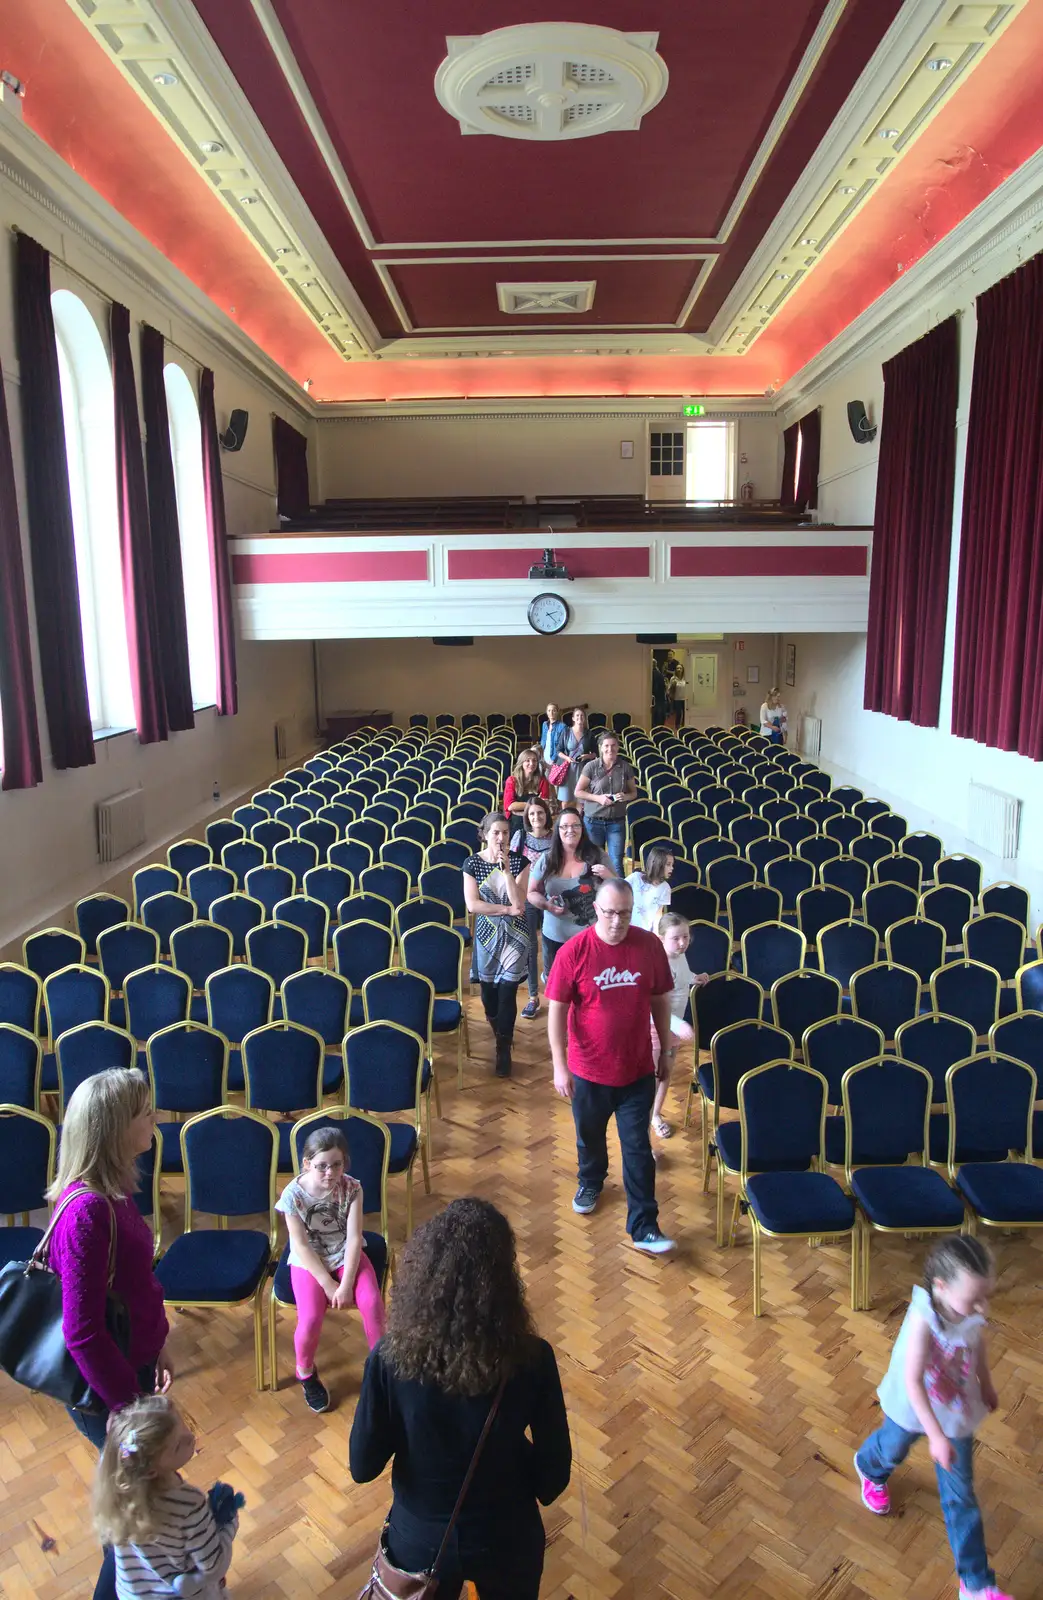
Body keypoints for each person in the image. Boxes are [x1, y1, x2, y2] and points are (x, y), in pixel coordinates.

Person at [349, 1198, 572, 1600]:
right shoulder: (533, 1358)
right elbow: (554, 1478)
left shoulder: (388, 1360)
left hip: (419, 1539)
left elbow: (363, 1466)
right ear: (505, 1280)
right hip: (507, 1534)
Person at [47, 1067, 174, 1600]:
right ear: (117, 1127)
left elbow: (133, 1284)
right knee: (129, 1526)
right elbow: (82, 1332)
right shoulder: (88, 1212)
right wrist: (132, 1410)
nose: (155, 1118)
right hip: (111, 1393)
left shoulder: (115, 1190)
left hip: (134, 1371)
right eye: (146, 1112)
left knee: (140, 1510)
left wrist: (159, 1341)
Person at [853, 1236, 1009, 1600]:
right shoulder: (923, 1321)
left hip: (954, 1407)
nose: (982, 1308)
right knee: (893, 1447)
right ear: (940, 1287)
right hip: (914, 1403)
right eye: (974, 1300)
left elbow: (976, 1341)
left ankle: (976, 1584)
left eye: (985, 1298)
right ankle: (869, 1465)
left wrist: (985, 1382)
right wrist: (934, 1436)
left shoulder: (968, 1308)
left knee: (961, 1495)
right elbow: (912, 1382)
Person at [545, 878, 676, 1253]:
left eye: (624, 913)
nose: (616, 921)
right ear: (596, 911)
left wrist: (665, 1051)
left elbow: (660, 1001)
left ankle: (644, 1226)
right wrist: (559, 1065)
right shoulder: (574, 951)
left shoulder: (649, 945)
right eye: (609, 913)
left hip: (636, 1069)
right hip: (588, 1071)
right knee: (590, 1137)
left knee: (636, 1148)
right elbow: (557, 1011)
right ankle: (591, 1178)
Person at [274, 1125, 386, 1414]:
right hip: (310, 1261)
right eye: (322, 1166)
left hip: (344, 1254)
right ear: (307, 1164)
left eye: (336, 1165)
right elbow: (299, 1246)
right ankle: (306, 1372)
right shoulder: (292, 1196)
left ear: (344, 1163)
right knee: (310, 1317)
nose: (330, 1173)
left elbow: (353, 1239)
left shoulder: (352, 1188)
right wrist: (327, 1284)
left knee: (373, 1303)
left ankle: (381, 1372)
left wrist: (346, 1283)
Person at [92, 1395, 242, 1599]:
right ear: (152, 1470)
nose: (191, 1436)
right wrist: (228, 1522)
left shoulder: (116, 1480)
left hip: (133, 1593)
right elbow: (213, 1566)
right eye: (178, 1445)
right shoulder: (189, 1504)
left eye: (184, 1423)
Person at [462, 811, 530, 1076]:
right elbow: (472, 904)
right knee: (489, 996)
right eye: (496, 833)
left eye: (505, 833)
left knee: (507, 992)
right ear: (485, 835)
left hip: (516, 935)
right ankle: (499, 1029)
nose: (501, 838)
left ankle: (503, 1048)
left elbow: (519, 904)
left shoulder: (520, 862)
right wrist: (503, 910)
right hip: (487, 934)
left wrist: (507, 873)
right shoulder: (472, 863)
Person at [526, 805, 614, 977]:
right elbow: (531, 893)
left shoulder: (597, 855)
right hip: (554, 936)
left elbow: (619, 889)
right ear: (558, 830)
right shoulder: (547, 859)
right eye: (564, 826)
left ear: (582, 828)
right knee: (557, 986)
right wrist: (546, 904)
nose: (570, 830)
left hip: (590, 936)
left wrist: (608, 875)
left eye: (575, 825)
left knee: (589, 984)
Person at [649, 912, 707, 1142]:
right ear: (661, 938)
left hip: (672, 1028)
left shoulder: (679, 956)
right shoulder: (657, 963)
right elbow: (652, 1004)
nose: (682, 943)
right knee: (652, 1080)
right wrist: (679, 1024)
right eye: (676, 938)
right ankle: (642, 1138)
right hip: (656, 1029)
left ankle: (654, 1115)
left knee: (665, 1076)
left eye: (685, 937)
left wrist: (695, 978)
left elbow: (681, 978)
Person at [511, 795, 554, 1020]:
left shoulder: (556, 838)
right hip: (527, 897)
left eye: (540, 812)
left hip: (550, 898)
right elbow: (512, 867)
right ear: (527, 817)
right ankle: (533, 997)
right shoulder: (520, 837)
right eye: (532, 814)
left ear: (547, 814)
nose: (536, 817)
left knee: (549, 943)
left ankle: (552, 988)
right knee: (529, 945)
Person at [573, 731, 637, 878]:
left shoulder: (625, 767)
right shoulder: (591, 767)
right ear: (601, 748)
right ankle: (594, 895)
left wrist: (625, 796)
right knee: (594, 861)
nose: (610, 749)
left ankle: (619, 896)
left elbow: (634, 793)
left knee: (616, 862)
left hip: (617, 822)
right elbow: (578, 792)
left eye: (613, 745)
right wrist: (598, 798)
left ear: (618, 747)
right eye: (606, 746)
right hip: (593, 821)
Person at [626, 842, 675, 932]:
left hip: (645, 931)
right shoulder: (635, 878)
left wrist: (656, 934)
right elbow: (620, 891)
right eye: (668, 864)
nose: (672, 868)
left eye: (672, 865)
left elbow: (658, 914)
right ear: (658, 864)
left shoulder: (665, 888)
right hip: (627, 927)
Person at [556, 706, 599, 805]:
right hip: (567, 769)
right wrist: (567, 758)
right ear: (573, 718)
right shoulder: (566, 732)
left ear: (585, 718)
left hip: (583, 769)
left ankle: (579, 819)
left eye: (582, 715)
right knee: (565, 800)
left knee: (581, 800)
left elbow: (596, 753)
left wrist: (587, 757)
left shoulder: (589, 734)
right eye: (577, 715)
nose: (580, 717)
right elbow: (558, 750)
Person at [502, 747, 551, 818]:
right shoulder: (512, 780)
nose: (531, 763)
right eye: (527, 760)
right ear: (521, 763)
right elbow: (510, 806)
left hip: (535, 817)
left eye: (534, 760)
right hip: (515, 818)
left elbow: (545, 804)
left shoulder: (542, 781)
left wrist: (519, 807)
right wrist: (534, 804)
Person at [537, 701, 569, 776]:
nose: (551, 712)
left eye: (554, 710)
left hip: (555, 757)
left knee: (554, 780)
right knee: (545, 780)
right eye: (549, 710)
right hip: (544, 756)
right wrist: (541, 756)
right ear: (546, 712)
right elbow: (543, 740)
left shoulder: (562, 726)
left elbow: (562, 745)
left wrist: (554, 759)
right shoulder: (544, 724)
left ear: (557, 712)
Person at [669, 658, 689, 727]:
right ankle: (677, 726)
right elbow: (669, 689)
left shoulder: (686, 678)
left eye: (680, 668)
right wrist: (673, 685)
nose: (679, 670)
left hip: (685, 698)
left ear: (683, 669)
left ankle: (684, 725)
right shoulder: (673, 678)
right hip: (677, 698)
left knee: (685, 713)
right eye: (677, 668)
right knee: (678, 713)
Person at [651, 657, 668, 727]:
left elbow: (656, 687)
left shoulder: (653, 674)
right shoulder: (659, 673)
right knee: (660, 717)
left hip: (656, 698)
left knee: (656, 717)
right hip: (661, 698)